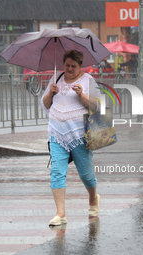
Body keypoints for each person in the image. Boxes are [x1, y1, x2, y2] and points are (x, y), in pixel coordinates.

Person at [41, 49, 101, 226]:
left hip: (80, 135)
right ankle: (61, 213)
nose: (69, 69)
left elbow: (97, 106)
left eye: (73, 66)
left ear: (80, 66)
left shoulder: (88, 80)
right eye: (67, 65)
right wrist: (50, 93)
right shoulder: (56, 78)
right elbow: (45, 104)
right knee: (57, 172)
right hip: (57, 134)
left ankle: (93, 198)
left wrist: (81, 94)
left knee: (86, 174)